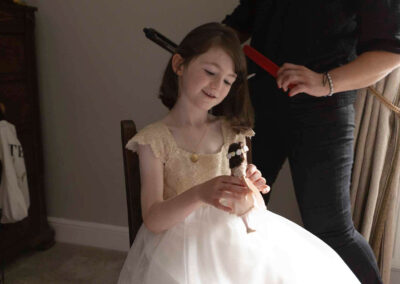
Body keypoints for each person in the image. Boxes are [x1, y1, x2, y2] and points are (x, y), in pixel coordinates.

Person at [118, 22, 360, 283]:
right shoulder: (154, 139)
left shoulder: (231, 132)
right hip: (178, 248)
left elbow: (248, 210)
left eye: (227, 81)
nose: (216, 86)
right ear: (179, 65)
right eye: (210, 72)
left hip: (232, 240)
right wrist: (200, 193)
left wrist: (250, 189)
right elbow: (153, 219)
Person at [222, 1, 400, 283]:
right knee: (238, 213)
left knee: (330, 229)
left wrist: (324, 81)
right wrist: (200, 51)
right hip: (258, 102)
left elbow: (391, 53)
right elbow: (236, 27)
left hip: (324, 112)